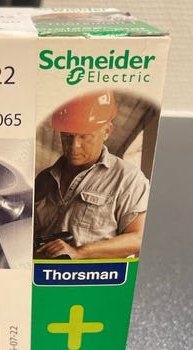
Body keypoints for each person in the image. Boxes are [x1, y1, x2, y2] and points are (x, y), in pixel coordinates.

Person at [34, 90, 149, 260]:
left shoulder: (128, 179)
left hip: (94, 275)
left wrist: (80, 252)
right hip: (43, 272)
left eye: (85, 136)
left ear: (107, 131)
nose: (74, 146)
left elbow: (138, 238)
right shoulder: (44, 179)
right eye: (67, 136)